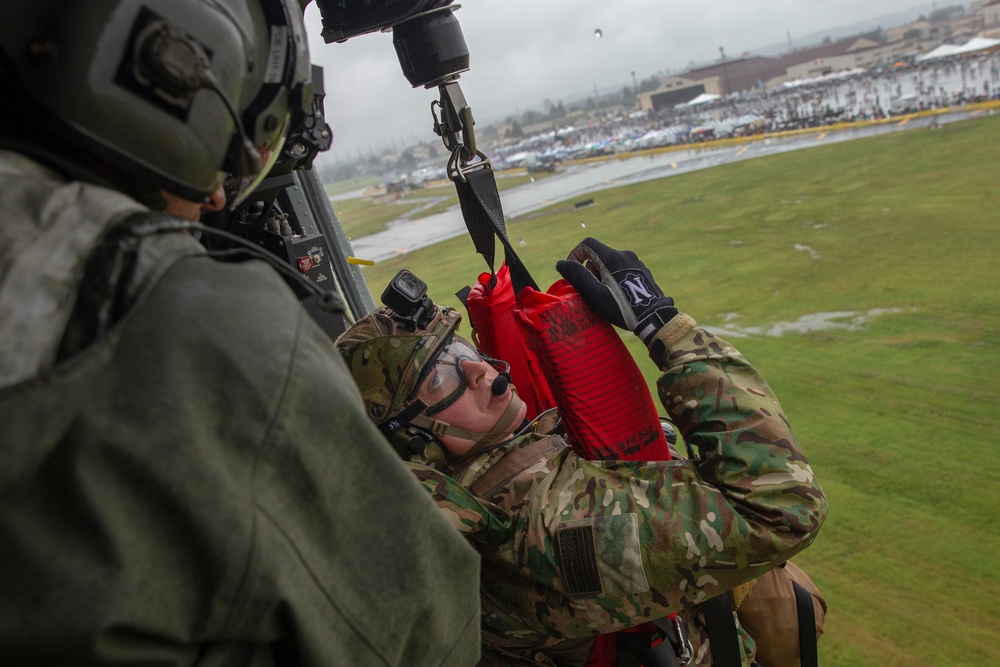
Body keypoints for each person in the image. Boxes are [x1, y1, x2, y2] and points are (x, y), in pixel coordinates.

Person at [0, 1, 480, 664]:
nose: (220, 197)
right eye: (231, 138)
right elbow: (431, 633)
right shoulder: (190, 314)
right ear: (167, 76)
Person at [335, 239, 828, 666]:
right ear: (412, 438)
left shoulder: (482, 478)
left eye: (458, 350)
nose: (480, 371)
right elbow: (781, 507)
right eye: (440, 378)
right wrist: (667, 329)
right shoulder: (541, 525)